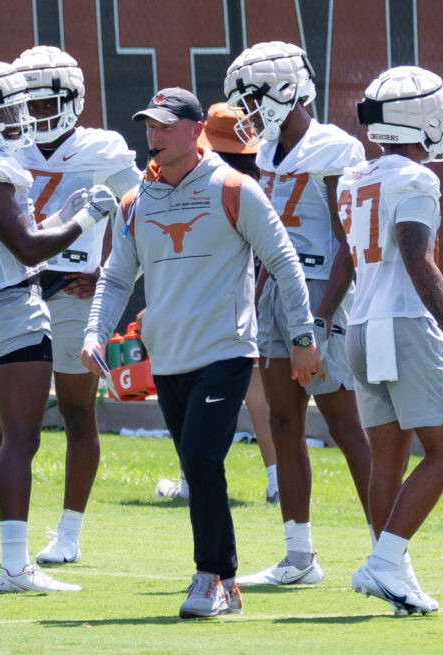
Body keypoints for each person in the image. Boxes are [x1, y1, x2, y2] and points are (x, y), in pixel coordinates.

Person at [79, 87, 321, 618]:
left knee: (203, 459)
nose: (155, 136)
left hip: (226, 352)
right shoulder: (136, 201)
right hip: (167, 359)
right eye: (149, 127)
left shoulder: (235, 188)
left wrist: (303, 338)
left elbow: (284, 262)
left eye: (166, 126)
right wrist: (96, 333)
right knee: (195, 459)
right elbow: (117, 276)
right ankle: (227, 586)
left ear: (195, 132)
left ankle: (209, 577)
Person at [0, 46, 142, 567]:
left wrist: (108, 272)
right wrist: (83, 218)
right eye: (21, 107)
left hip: (65, 288)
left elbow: (140, 214)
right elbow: (25, 241)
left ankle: (66, 533)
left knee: (72, 412)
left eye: (42, 105)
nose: (29, 117)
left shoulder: (99, 148)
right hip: (18, 288)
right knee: (3, 428)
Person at [223, 41, 372, 586]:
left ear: (287, 91)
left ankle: (388, 548)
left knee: (344, 424)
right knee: (284, 421)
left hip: (319, 293)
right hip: (275, 294)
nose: (247, 110)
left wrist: (324, 316)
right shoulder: (263, 153)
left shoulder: (333, 148)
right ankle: (299, 556)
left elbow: (347, 246)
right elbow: (267, 240)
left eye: (253, 97)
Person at [339, 65, 443, 614]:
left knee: (388, 459)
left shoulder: (357, 175)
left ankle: (392, 570)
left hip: (361, 325)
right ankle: (384, 561)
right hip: (403, 324)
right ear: (420, 119)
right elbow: (418, 260)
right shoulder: (417, 179)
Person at [153, 101, 279, 504]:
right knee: (258, 389)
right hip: (259, 288)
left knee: (228, 385)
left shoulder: (215, 183)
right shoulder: (257, 176)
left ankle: (193, 479)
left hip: (230, 295)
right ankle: (277, 479)